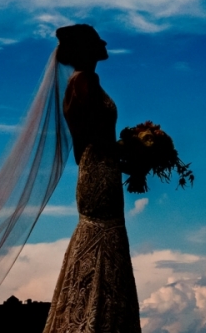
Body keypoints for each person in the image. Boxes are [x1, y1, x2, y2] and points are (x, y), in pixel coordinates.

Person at [42, 24, 139, 333]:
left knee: (101, 236)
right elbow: (94, 135)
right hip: (99, 170)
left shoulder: (77, 82)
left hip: (96, 169)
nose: (104, 43)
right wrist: (134, 148)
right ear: (87, 48)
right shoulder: (86, 81)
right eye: (97, 40)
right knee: (103, 236)